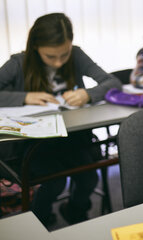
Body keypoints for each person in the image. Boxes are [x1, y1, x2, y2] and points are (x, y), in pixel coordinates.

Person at [0, 13, 122, 226]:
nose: (58, 62)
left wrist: (88, 94)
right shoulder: (18, 63)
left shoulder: (76, 55)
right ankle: (41, 221)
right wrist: (25, 97)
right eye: (50, 56)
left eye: (63, 55)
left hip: (73, 137)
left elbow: (112, 82)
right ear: (36, 46)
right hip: (36, 144)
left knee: (88, 179)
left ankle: (74, 211)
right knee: (53, 183)